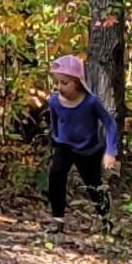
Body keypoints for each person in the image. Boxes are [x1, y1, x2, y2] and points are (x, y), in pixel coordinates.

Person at [42, 52, 116, 223]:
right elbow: (54, 123)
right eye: (57, 82)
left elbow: (109, 123)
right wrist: (56, 140)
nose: (60, 87)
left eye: (65, 83)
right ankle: (57, 219)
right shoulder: (54, 101)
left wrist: (110, 151)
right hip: (65, 146)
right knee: (56, 174)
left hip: (88, 149)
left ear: (77, 83)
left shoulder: (90, 102)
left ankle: (106, 219)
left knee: (93, 185)